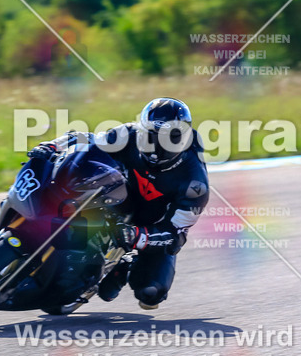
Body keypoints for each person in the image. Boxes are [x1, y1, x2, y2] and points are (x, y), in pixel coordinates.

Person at [28, 98, 209, 310]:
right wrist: (51, 146)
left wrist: (139, 236)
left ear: (183, 141)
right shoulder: (128, 133)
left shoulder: (195, 184)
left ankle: (124, 266)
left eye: (167, 140)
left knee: (150, 294)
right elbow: (87, 139)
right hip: (115, 199)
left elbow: (175, 234)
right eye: (149, 136)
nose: (155, 148)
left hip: (150, 225)